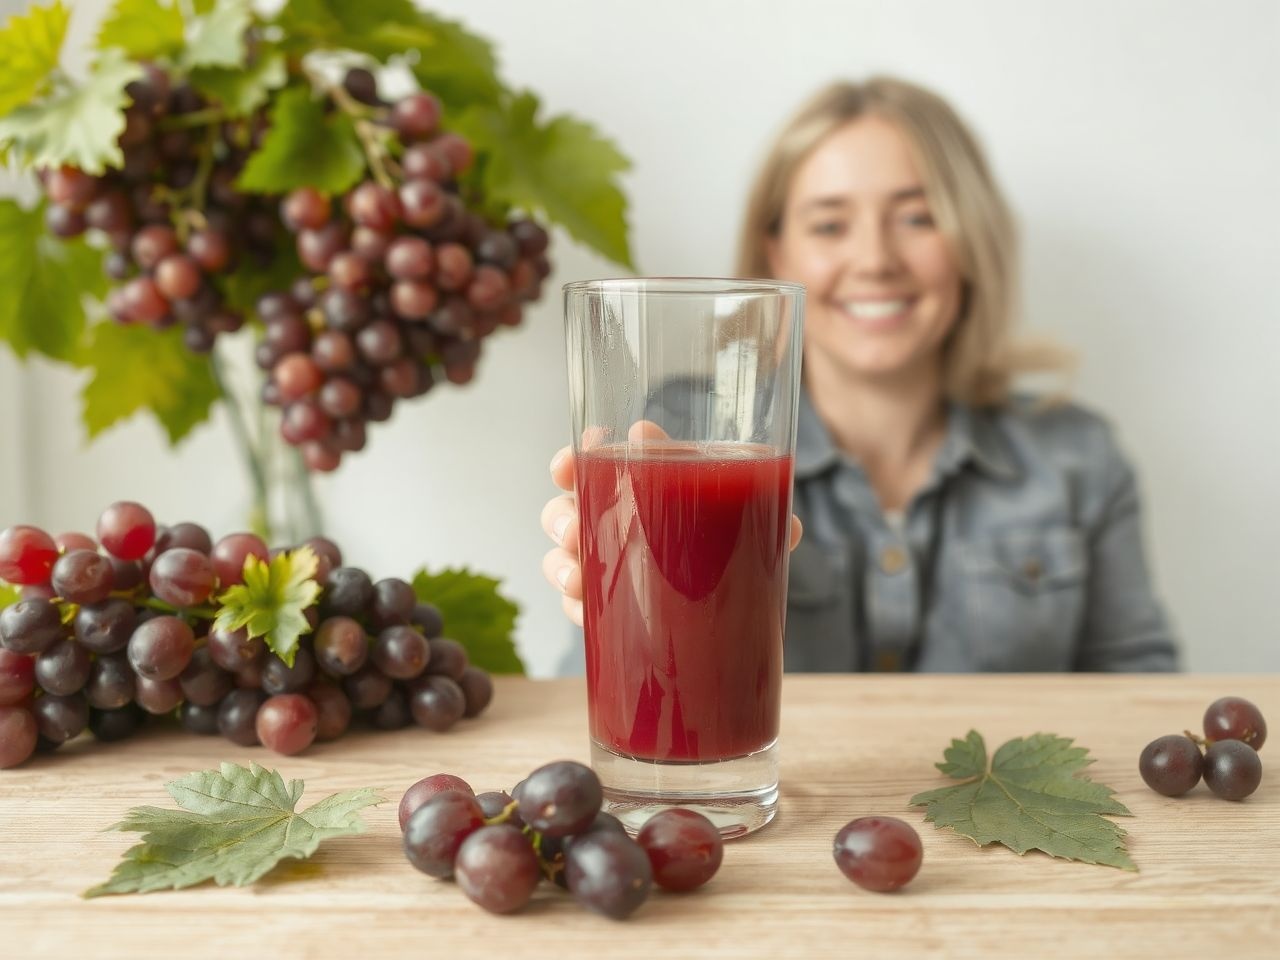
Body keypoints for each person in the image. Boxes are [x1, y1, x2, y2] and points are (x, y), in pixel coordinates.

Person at [541, 76, 1178, 673]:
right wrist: (621, 624)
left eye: (917, 218)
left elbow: (1139, 684)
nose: (874, 260)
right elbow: (598, 701)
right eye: (829, 224)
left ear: (972, 243)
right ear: (776, 252)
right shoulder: (674, 435)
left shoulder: (1077, 454)